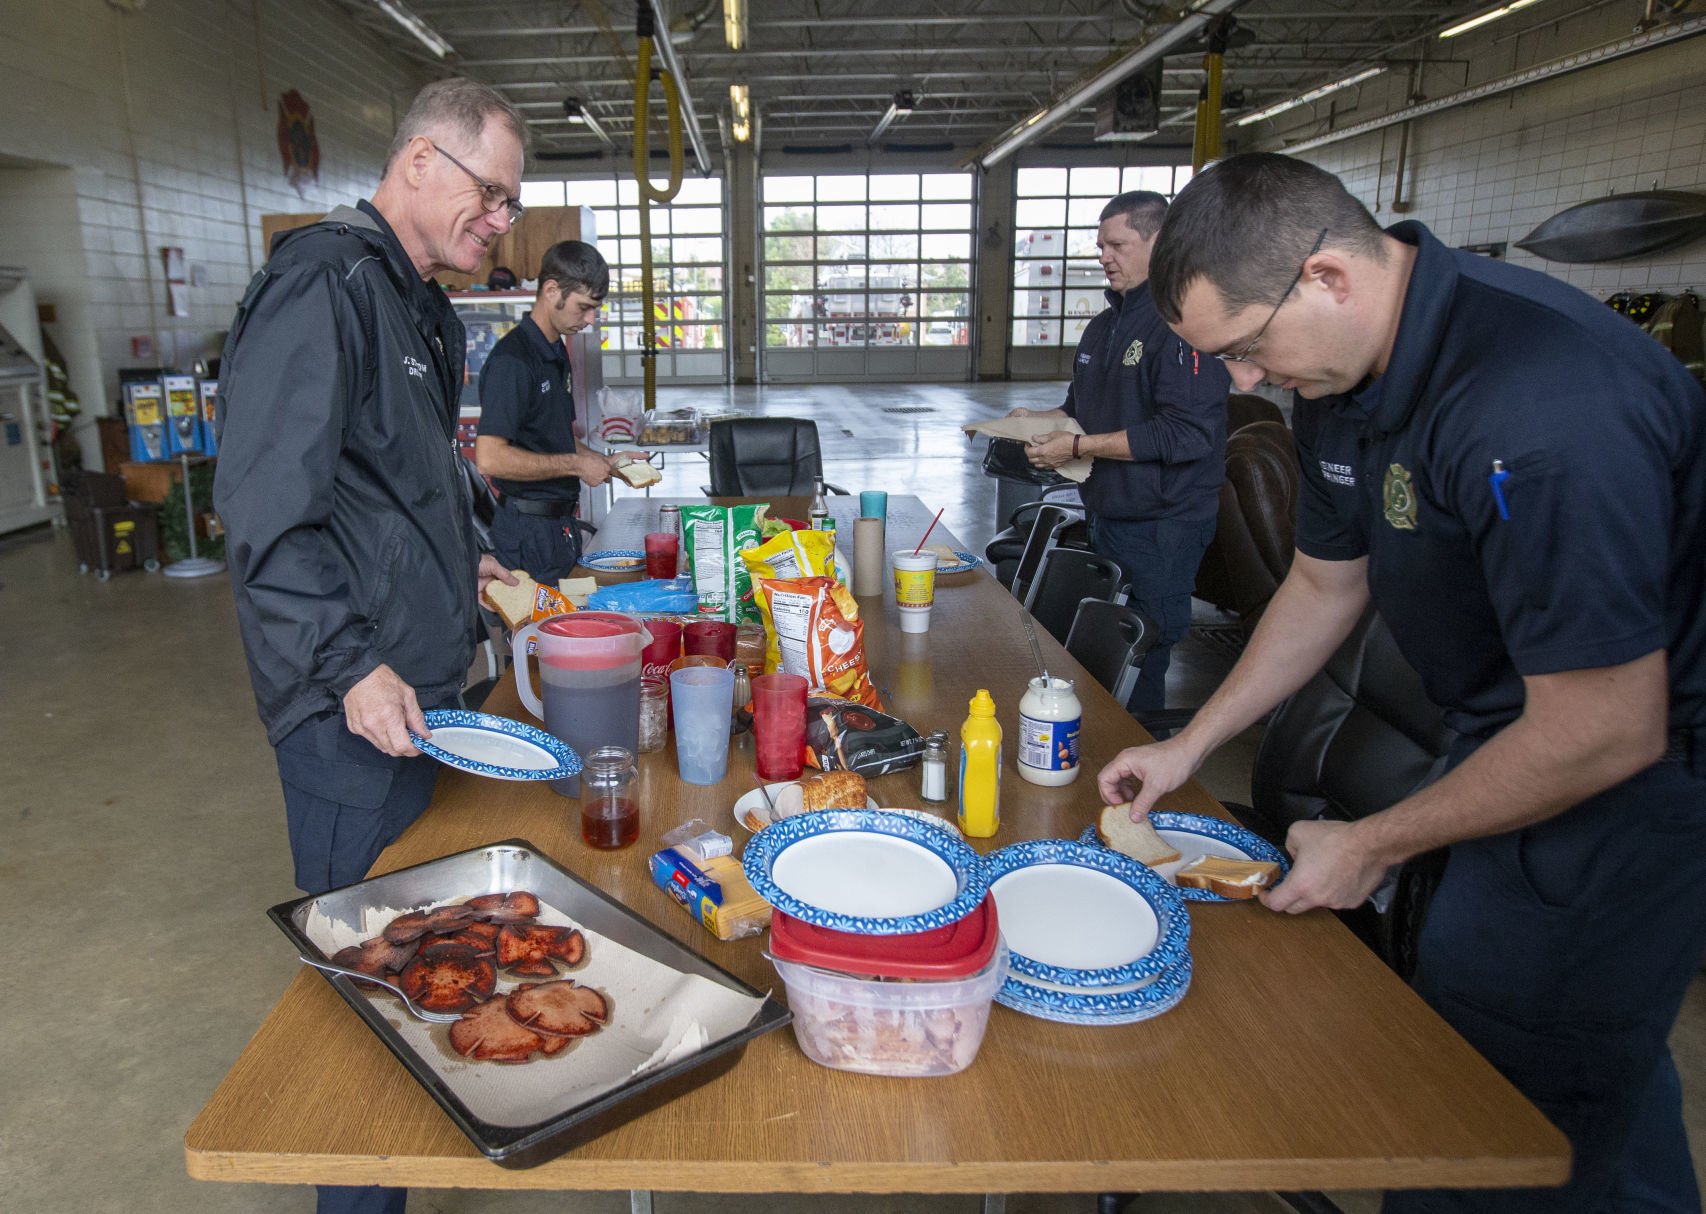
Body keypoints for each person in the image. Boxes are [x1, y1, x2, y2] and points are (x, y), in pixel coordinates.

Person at [1103, 152, 1706, 1213]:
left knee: (1481, 1100)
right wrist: (1186, 745)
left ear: (1326, 275)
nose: (1244, 384)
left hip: (1626, 784)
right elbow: (1322, 586)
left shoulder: (1541, 404)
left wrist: (1372, 840)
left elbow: (1608, 724)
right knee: (1595, 1057)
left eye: (1244, 350)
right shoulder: (1343, 374)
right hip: (1505, 731)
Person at [213, 77, 528, 1214]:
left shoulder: (415, 304)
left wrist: (474, 555)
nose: (499, 222)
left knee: (427, 954)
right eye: (490, 196)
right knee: (373, 989)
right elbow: (264, 509)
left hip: (416, 684)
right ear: (418, 164)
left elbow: (408, 478)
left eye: (508, 203)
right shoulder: (323, 284)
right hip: (349, 703)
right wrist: (347, 662)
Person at [1010, 190, 1230, 714]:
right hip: (1108, 514)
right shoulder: (1106, 325)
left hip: (1163, 524)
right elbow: (1079, 409)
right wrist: (1032, 421)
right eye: (1100, 245)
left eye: (1117, 244)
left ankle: (1143, 769)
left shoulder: (1182, 325)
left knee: (1142, 652)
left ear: (1160, 242)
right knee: (1102, 654)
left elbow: (1186, 434)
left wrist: (1080, 445)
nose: (1103, 256)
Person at [474, 240, 646, 582]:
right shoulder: (513, 361)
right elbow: (490, 458)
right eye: (583, 307)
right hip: (526, 534)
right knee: (532, 635)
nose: (590, 319)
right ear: (552, 290)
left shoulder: (553, 351)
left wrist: (604, 463)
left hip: (559, 528)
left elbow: (556, 438)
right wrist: (577, 465)